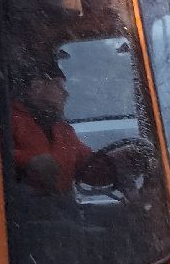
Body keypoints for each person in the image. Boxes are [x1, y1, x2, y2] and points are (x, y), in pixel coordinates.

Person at [10, 61, 116, 195]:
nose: (66, 94)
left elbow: (87, 167)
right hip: (24, 208)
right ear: (37, 86)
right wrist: (29, 162)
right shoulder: (9, 121)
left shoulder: (63, 130)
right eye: (59, 86)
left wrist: (116, 163)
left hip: (61, 208)